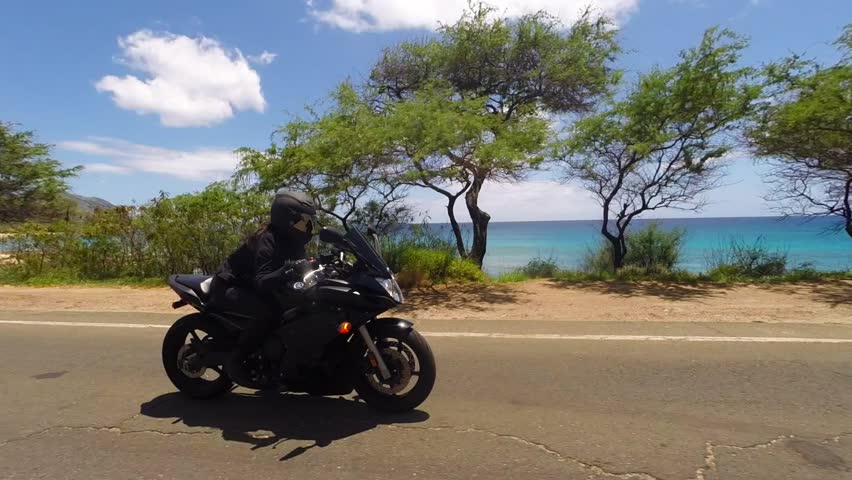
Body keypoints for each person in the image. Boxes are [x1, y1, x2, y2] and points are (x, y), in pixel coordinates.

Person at [209, 189, 317, 386]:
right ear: (287, 219)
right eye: (304, 221)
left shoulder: (292, 241)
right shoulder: (268, 239)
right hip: (229, 287)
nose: (308, 226)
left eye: (310, 221)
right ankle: (237, 361)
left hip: (254, 288)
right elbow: (262, 280)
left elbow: (300, 265)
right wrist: (288, 269)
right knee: (270, 312)